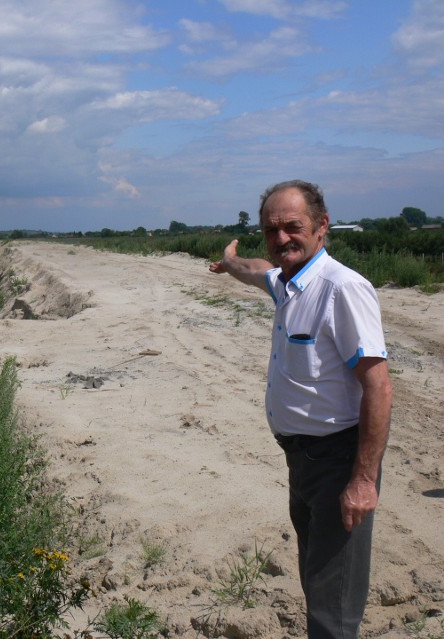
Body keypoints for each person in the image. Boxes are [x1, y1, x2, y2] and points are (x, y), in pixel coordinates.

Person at [209, 180, 392, 639]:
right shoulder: (288, 284)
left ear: (322, 226)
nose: (282, 238)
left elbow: (379, 389)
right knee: (318, 580)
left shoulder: (341, 289)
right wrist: (230, 263)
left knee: (333, 606)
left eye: (293, 226)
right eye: (272, 230)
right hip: (301, 461)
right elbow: (257, 270)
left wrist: (363, 481)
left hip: (337, 463)